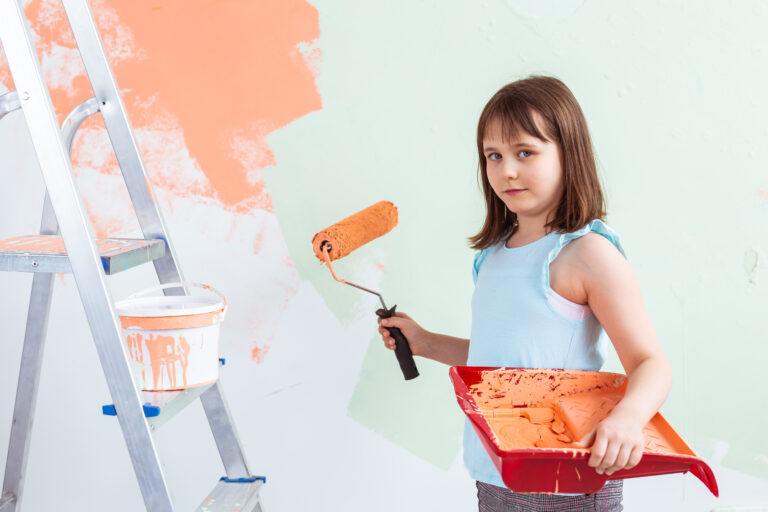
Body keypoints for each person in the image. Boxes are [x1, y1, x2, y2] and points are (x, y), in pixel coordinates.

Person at [377, 75, 672, 511]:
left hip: (565, 472)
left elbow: (652, 363)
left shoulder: (588, 254)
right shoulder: (492, 256)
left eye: (525, 153)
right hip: (496, 469)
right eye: (493, 156)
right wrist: (424, 342)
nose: (506, 170)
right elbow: (507, 365)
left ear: (568, 155)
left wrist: (628, 420)